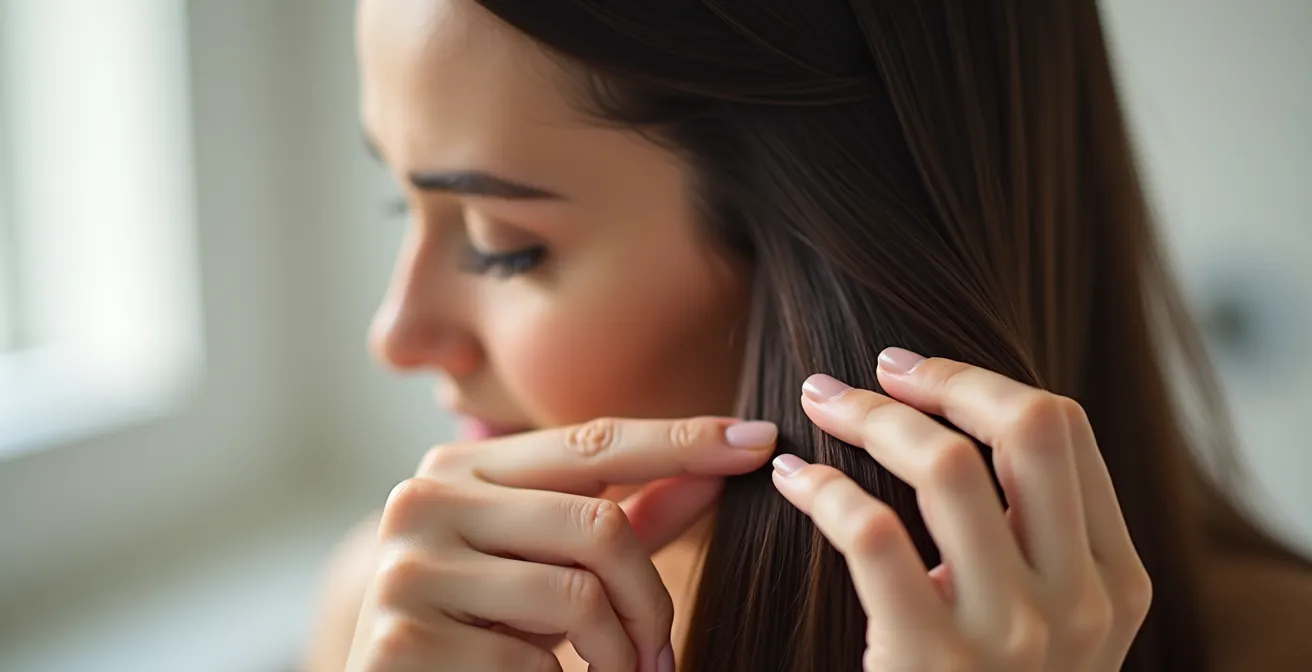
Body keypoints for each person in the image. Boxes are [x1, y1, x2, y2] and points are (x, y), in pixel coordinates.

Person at [305, 1, 1312, 670]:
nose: (396, 334)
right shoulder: (410, 615)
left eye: (502, 245)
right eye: (401, 205)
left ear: (813, 276)